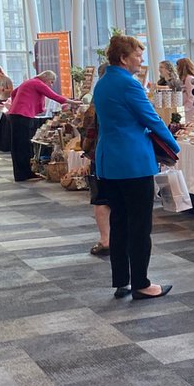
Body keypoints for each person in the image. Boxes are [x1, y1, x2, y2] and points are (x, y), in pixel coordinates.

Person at [93, 35, 178, 300]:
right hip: (133, 163)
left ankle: (122, 281)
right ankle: (142, 282)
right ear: (123, 58)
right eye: (138, 56)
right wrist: (174, 146)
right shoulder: (129, 85)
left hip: (109, 161)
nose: (141, 61)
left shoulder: (103, 82)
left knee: (119, 223)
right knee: (140, 226)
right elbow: (151, 118)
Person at [8, 70, 70, 182]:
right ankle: (23, 173)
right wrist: (71, 102)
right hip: (22, 114)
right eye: (51, 82)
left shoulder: (29, 82)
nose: (51, 84)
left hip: (16, 114)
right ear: (45, 78)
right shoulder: (38, 83)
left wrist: (16, 104)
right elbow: (53, 95)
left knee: (19, 144)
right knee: (22, 145)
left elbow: (13, 93)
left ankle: (22, 172)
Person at [81, 64, 111, 256]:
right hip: (116, 154)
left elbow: (88, 126)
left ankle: (105, 239)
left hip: (100, 153)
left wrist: (86, 150)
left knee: (101, 197)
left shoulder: (97, 97)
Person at [176, 57, 194, 125]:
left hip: (190, 110)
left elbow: (192, 96)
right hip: (187, 109)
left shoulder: (189, 79)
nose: (176, 68)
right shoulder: (185, 79)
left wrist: (184, 109)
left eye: (177, 65)